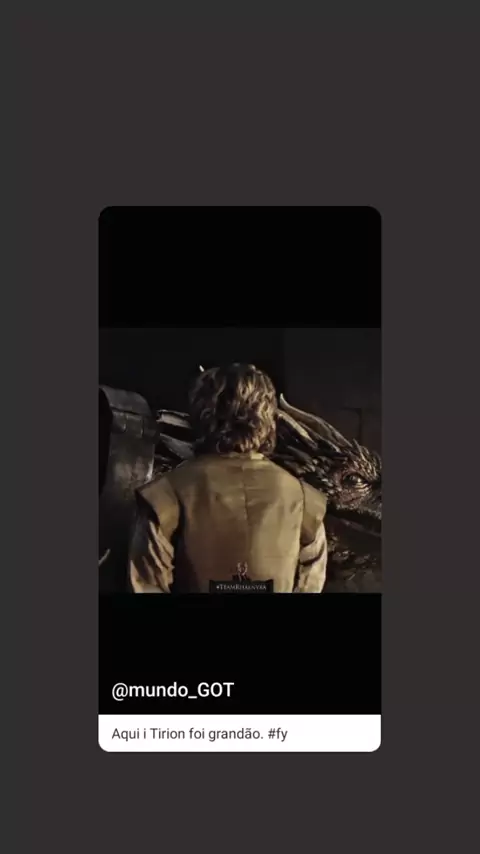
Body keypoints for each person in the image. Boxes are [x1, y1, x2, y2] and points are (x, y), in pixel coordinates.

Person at [128, 363, 328, 593]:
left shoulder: (165, 497)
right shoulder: (304, 502)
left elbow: (146, 586)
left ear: (202, 414)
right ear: (268, 418)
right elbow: (310, 586)